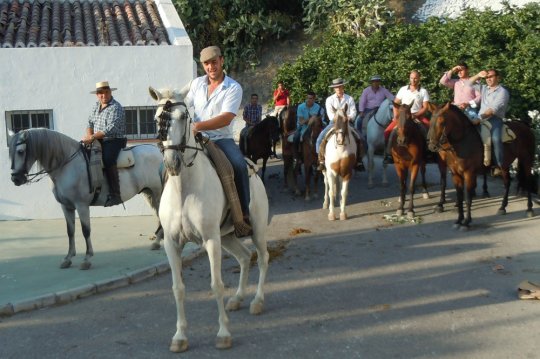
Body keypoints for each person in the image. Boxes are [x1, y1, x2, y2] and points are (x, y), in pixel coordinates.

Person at [184, 45, 252, 238]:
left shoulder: (233, 87)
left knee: (238, 165)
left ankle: (244, 214)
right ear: (202, 66)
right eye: (206, 63)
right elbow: (185, 103)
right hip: (195, 138)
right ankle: (166, 217)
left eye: (214, 62)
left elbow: (226, 118)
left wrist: (197, 126)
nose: (211, 67)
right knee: (171, 162)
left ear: (222, 61)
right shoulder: (196, 84)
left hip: (221, 139)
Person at [82, 81, 126, 207]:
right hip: (97, 138)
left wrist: (92, 137)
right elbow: (89, 123)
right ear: (97, 95)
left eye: (106, 92)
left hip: (114, 140)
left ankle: (116, 195)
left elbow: (109, 129)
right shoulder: (96, 106)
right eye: (100, 93)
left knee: (107, 159)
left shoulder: (116, 107)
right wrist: (90, 135)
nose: (103, 95)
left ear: (110, 92)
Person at [316, 78, 364, 171]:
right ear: (334, 89)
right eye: (336, 87)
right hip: (334, 123)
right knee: (319, 139)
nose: (338, 89)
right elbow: (330, 115)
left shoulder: (349, 98)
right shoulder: (329, 99)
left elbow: (353, 111)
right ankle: (321, 161)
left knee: (360, 138)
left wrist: (349, 117)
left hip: (347, 122)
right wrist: (340, 118)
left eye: (339, 87)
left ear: (343, 87)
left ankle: (359, 160)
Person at [383, 70, 430, 164]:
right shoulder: (403, 89)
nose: (413, 80)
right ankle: (388, 154)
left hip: (417, 116)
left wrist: (415, 115)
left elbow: (425, 107)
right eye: (412, 78)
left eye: (416, 78)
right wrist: (396, 115)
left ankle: (428, 154)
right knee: (387, 132)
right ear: (409, 78)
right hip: (403, 117)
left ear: (419, 78)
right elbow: (395, 103)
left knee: (428, 130)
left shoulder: (423, 91)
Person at [468, 69, 510, 172]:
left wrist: (479, 118)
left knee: (496, 139)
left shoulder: (503, 92)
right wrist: (478, 74)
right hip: (480, 117)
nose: (488, 79)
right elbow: (468, 83)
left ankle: (498, 166)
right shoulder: (484, 89)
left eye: (491, 76)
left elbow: (492, 110)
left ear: (498, 77)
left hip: (494, 119)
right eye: (486, 77)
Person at [294, 91, 322, 161]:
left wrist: (313, 119)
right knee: (296, 136)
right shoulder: (300, 107)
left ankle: (321, 155)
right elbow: (301, 121)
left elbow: (316, 119)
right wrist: (311, 118)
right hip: (302, 126)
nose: (308, 100)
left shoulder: (317, 107)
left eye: (311, 98)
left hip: (313, 127)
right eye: (308, 98)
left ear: (314, 99)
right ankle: (296, 156)